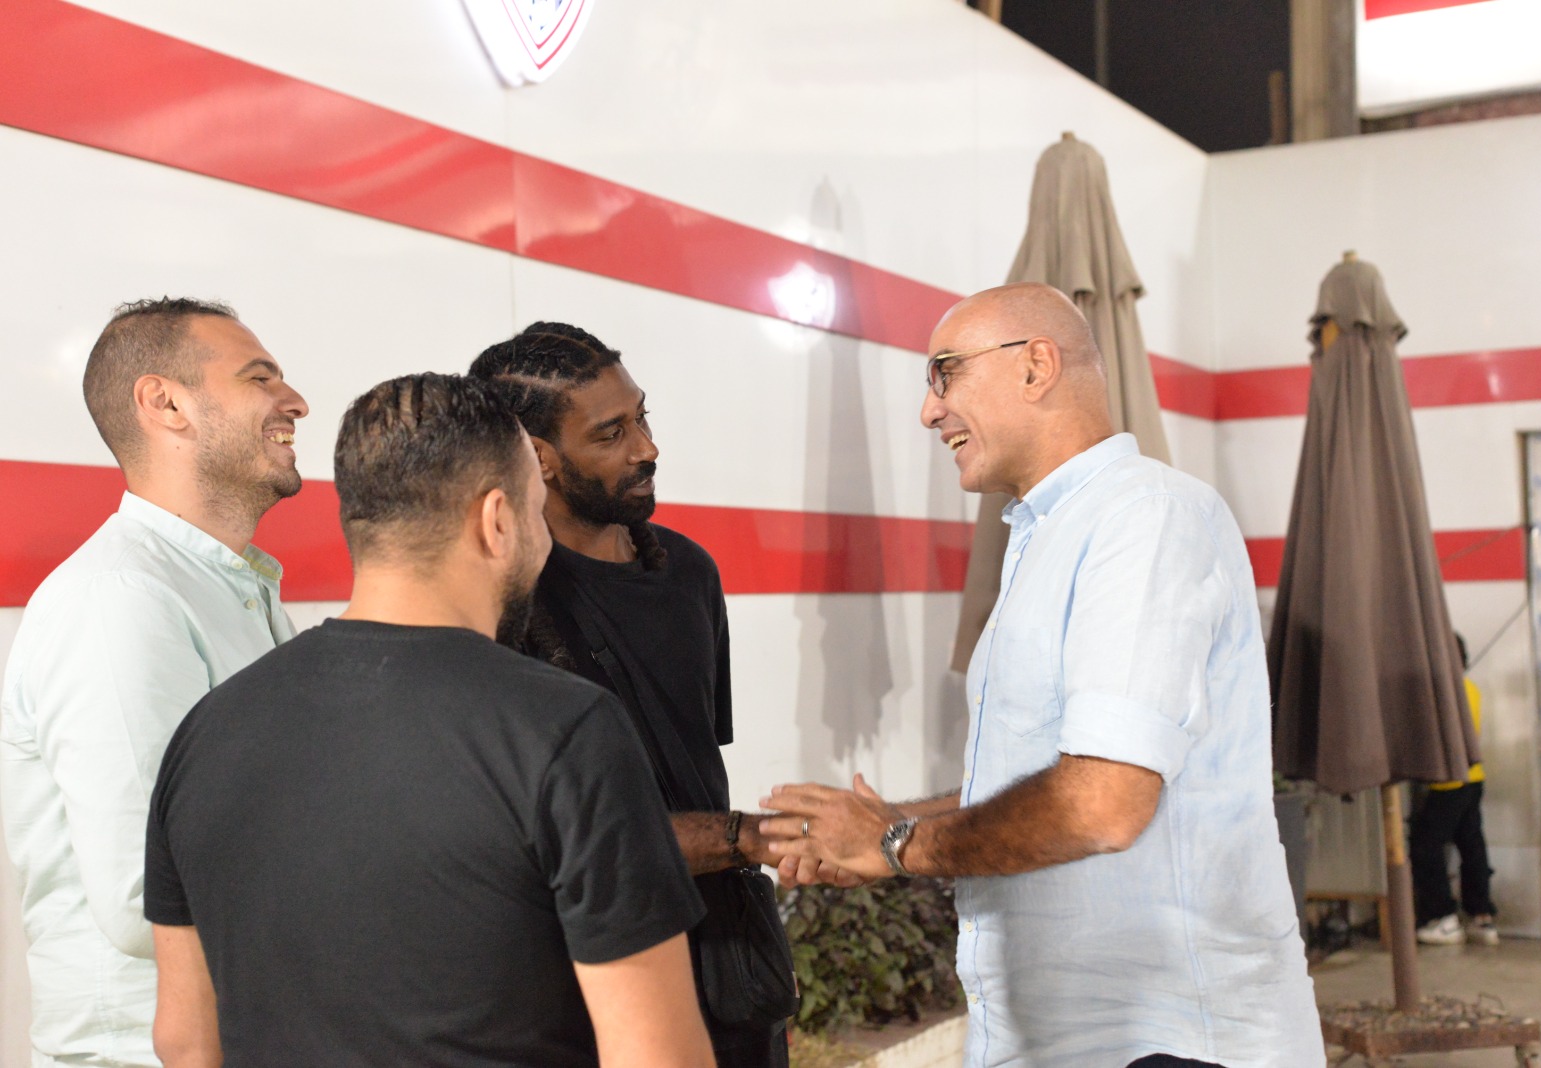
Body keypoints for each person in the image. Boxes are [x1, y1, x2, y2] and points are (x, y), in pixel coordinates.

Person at [762, 283, 1324, 1068]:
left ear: (1036, 366)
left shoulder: (1144, 518)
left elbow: (1101, 804)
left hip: (1165, 1041)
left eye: (945, 373)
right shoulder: (1054, 533)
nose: (929, 411)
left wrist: (895, 844)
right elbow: (1042, 777)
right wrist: (890, 822)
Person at [142, 373, 715, 1068]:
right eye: (537, 513)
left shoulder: (207, 732)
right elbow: (659, 1055)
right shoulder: (566, 731)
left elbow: (185, 1040)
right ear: (497, 521)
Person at [469, 323, 837, 1068]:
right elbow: (542, 841)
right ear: (538, 457)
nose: (647, 448)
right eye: (611, 433)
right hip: (589, 997)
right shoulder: (501, 603)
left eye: (642, 417)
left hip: (733, 978)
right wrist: (752, 837)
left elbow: (696, 764)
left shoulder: (690, 571)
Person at [1, 298, 306, 1068]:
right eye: (260, 377)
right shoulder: (120, 599)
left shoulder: (233, 588)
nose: (295, 401)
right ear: (165, 404)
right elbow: (147, 895)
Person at [1412, 632, 1498, 946]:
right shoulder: (1469, 688)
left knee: (1425, 846)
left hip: (1449, 781)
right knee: (1471, 845)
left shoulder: (1443, 692)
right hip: (1474, 778)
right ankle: (1481, 916)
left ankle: (1443, 917)